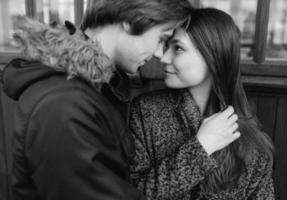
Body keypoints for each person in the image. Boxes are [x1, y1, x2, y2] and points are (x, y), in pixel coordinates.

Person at [0, 0, 193, 199]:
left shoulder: (94, 86)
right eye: (162, 38)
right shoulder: (65, 103)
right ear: (131, 19)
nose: (159, 54)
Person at [129, 8, 275, 200]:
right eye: (166, 47)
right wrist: (201, 148)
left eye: (178, 48)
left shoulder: (252, 142)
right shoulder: (145, 112)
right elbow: (131, 195)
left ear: (213, 56)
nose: (164, 58)